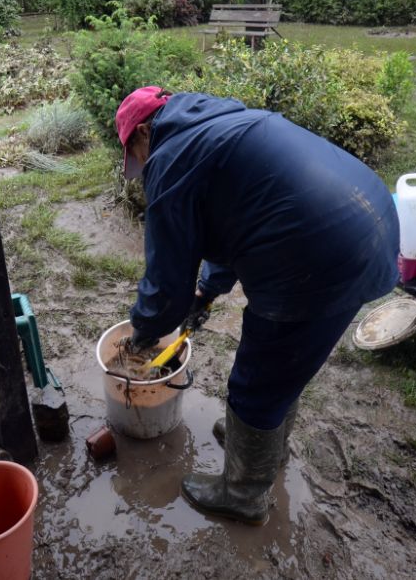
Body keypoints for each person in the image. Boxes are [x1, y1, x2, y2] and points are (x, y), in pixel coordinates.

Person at [116, 86, 399, 525]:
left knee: (258, 379)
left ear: (143, 132)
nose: (142, 163)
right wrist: (207, 291)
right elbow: (235, 224)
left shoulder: (171, 160)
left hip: (320, 251)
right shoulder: (215, 127)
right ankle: (265, 448)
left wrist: (144, 331)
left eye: (134, 150)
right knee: (290, 362)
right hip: (369, 221)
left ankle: (243, 493)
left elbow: (165, 286)